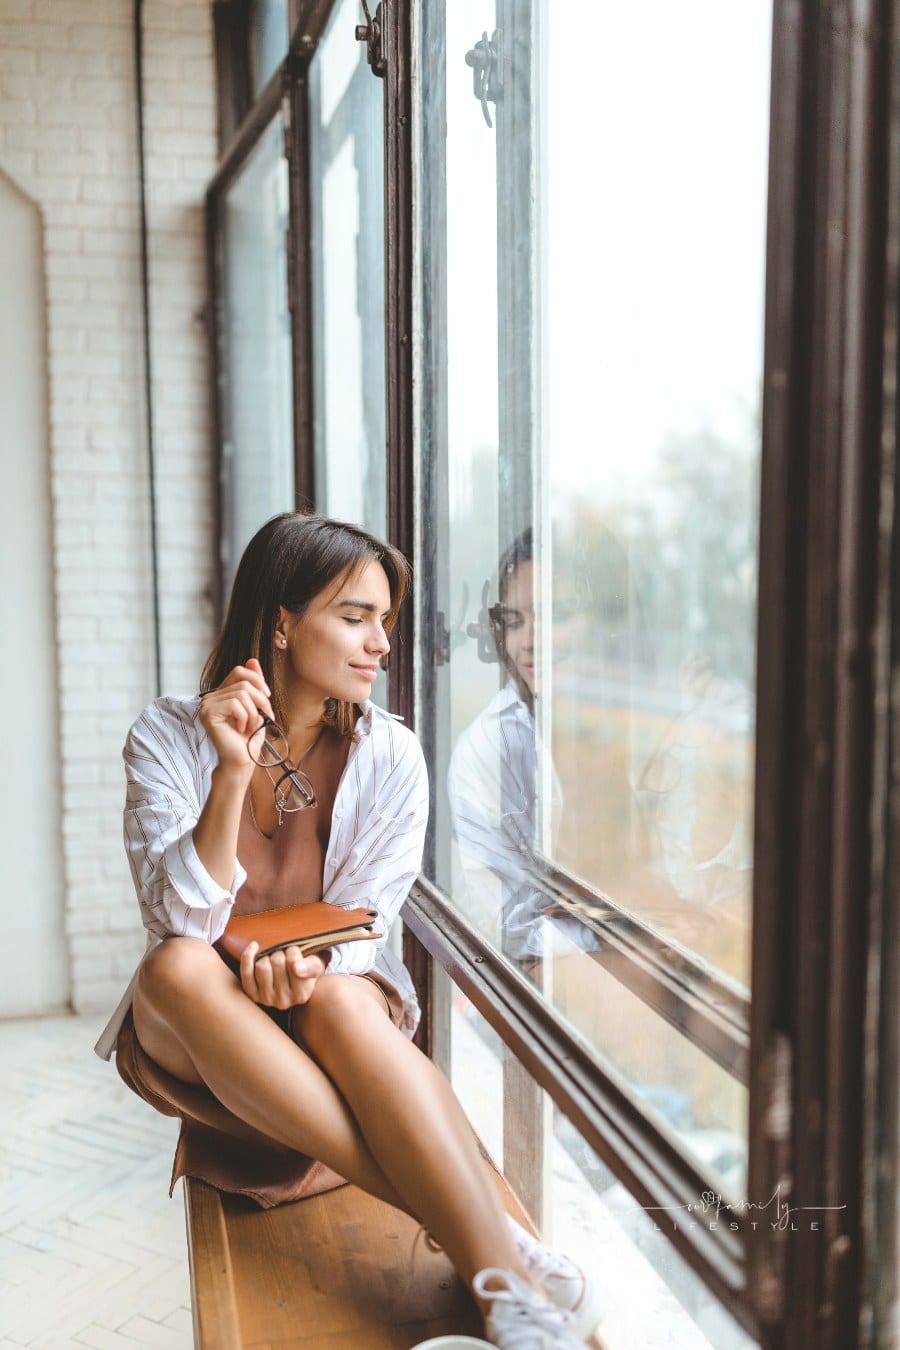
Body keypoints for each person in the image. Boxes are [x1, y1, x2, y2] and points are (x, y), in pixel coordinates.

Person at [94, 512, 601, 1348]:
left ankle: (503, 1289)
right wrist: (231, 769)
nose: (381, 645)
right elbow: (180, 918)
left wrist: (307, 970)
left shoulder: (391, 755)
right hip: (204, 1035)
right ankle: (492, 1231)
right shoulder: (168, 736)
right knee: (175, 967)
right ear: (282, 623)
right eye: (356, 617)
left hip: (334, 1015)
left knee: (335, 998)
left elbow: (366, 927)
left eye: (385, 622)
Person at [448, 528, 600, 963]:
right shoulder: (490, 749)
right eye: (514, 622)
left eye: (555, 616)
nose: (530, 642)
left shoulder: (636, 732)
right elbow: (512, 930)